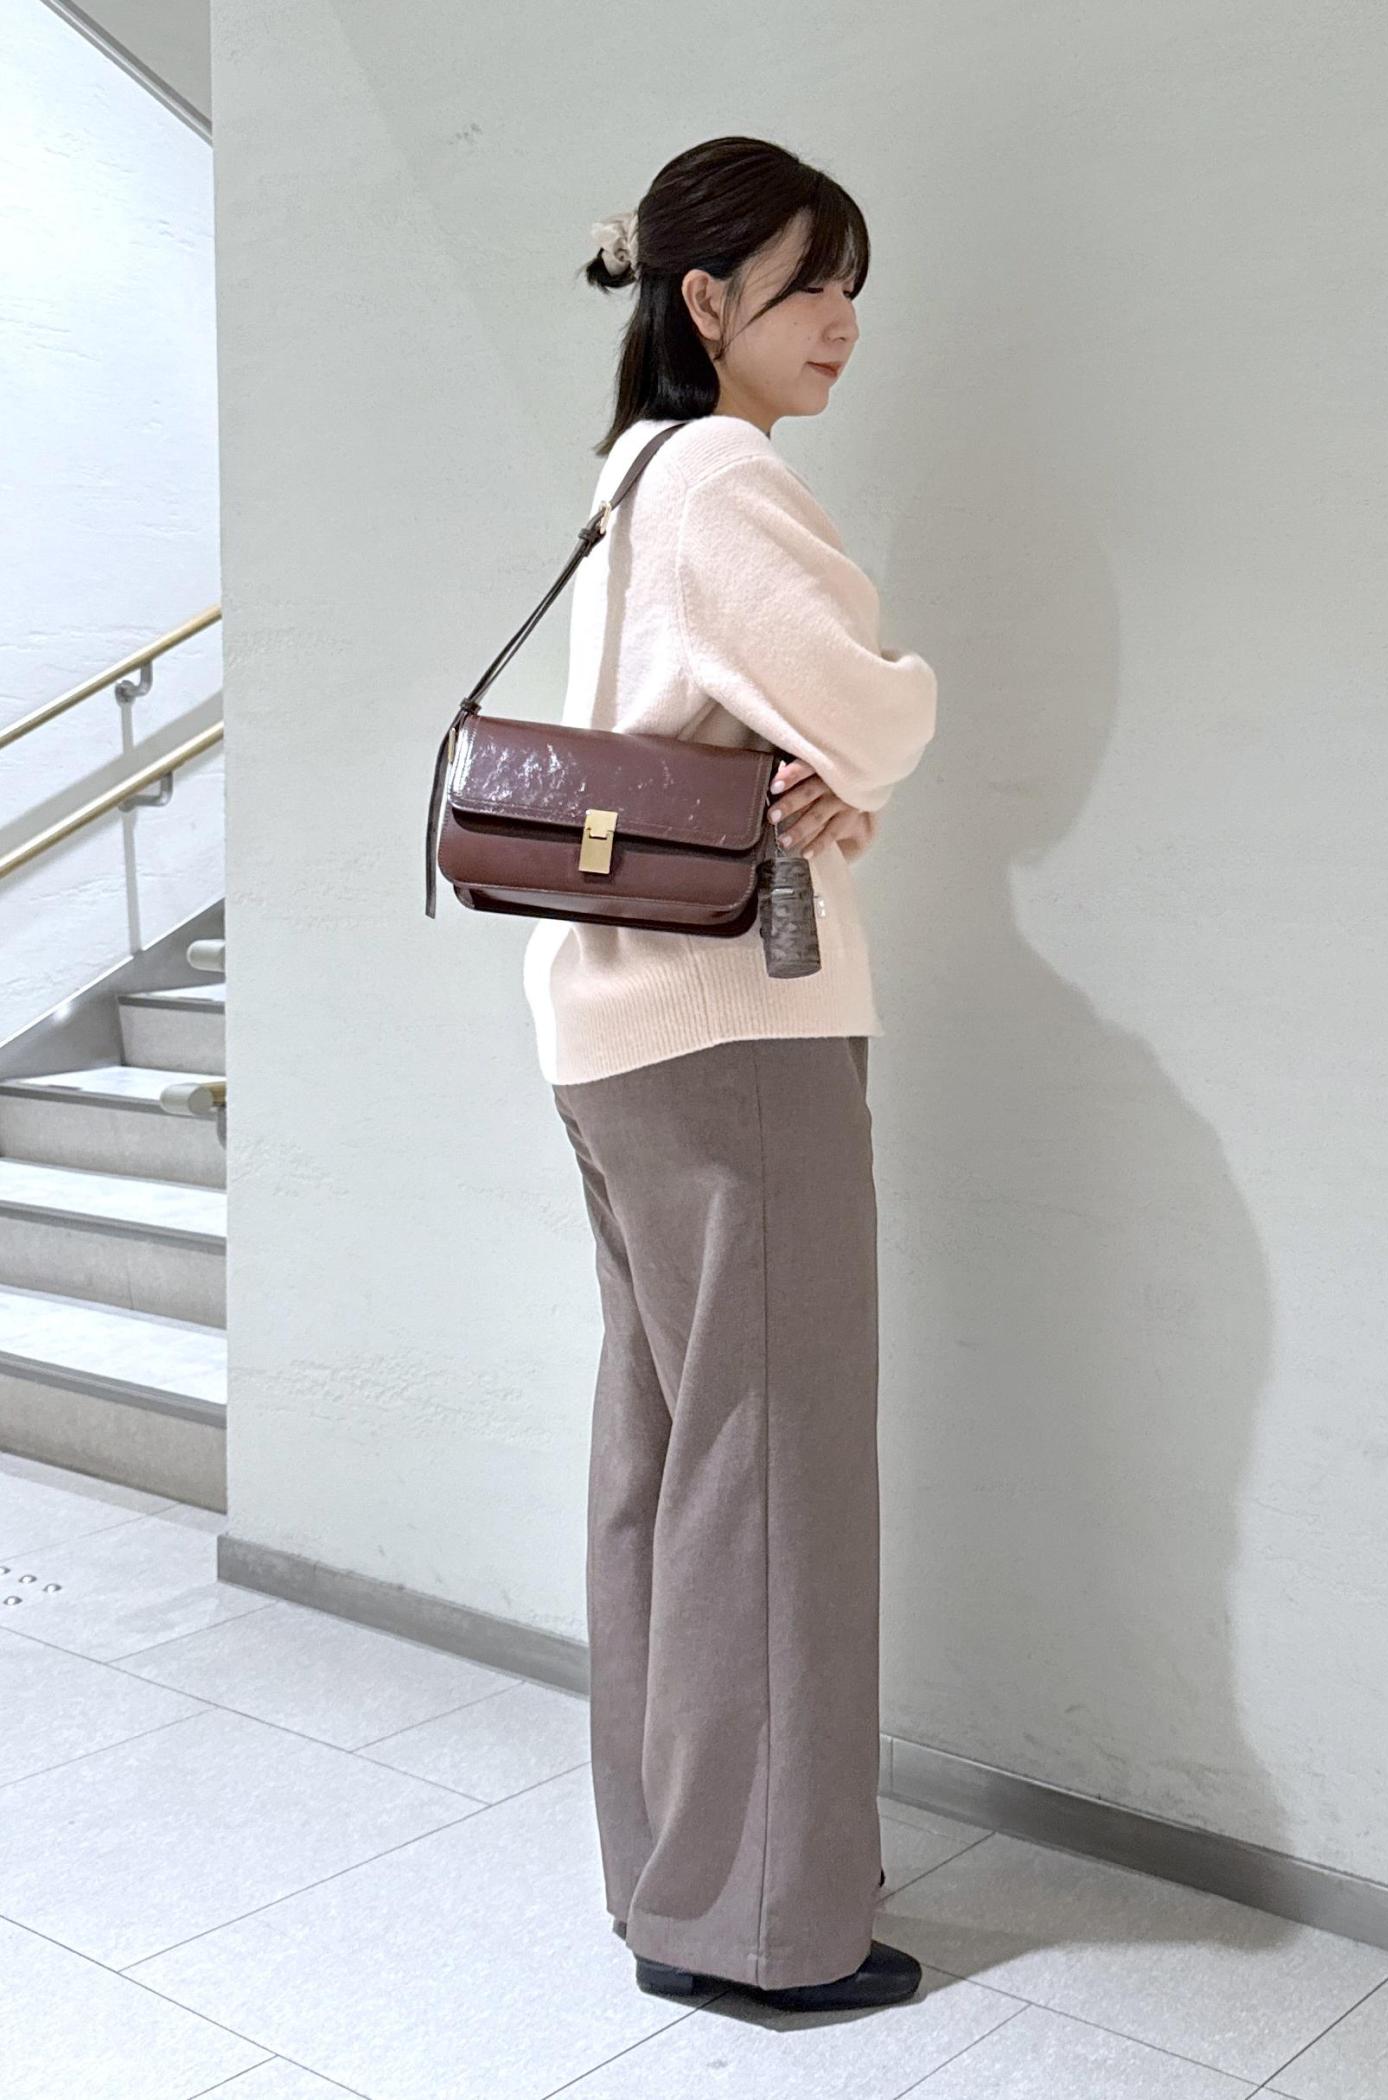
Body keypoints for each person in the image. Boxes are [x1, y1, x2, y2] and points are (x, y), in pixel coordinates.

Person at [526, 135, 937, 2013]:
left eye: (853, 284)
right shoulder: (722, 473)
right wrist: (896, 715)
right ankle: (761, 1930)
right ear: (706, 301)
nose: (842, 319)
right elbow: (865, 700)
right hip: (734, 1030)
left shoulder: (629, 473)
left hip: (615, 1032)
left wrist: (834, 770)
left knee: (670, 1462)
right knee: (773, 1471)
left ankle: (676, 1875)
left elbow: (763, 727)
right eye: (807, 283)